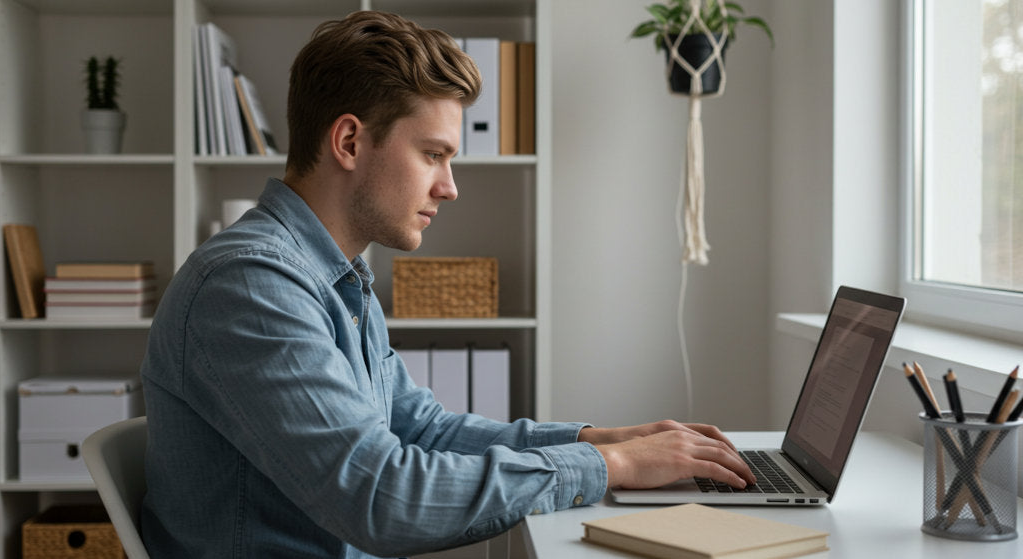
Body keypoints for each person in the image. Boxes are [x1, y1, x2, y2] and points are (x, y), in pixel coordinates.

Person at [139, 10, 755, 559]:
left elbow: (421, 430)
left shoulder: (334, 274)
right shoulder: (251, 286)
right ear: (350, 141)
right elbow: (382, 500)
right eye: (433, 154)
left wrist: (599, 439)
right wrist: (610, 465)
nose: (450, 186)